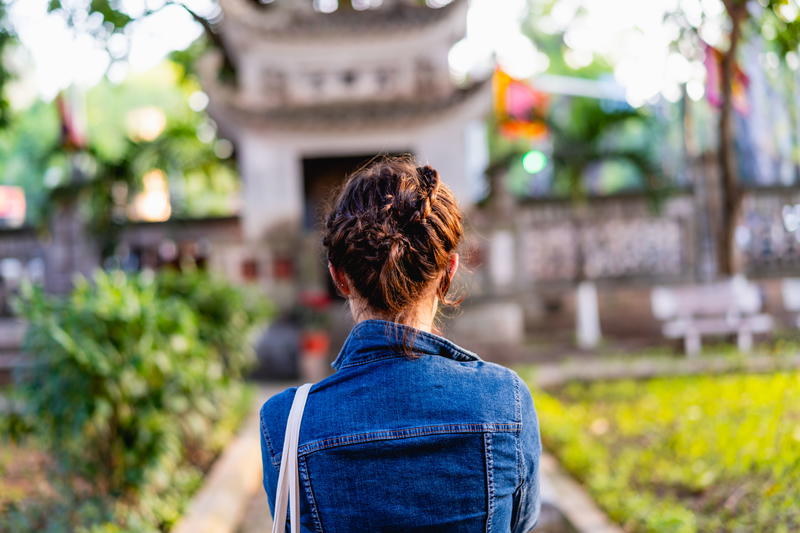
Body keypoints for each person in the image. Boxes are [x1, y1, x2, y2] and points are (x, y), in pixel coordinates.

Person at [260, 156, 541, 532]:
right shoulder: (506, 402)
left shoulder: (285, 423)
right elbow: (521, 522)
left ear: (339, 277)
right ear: (449, 274)